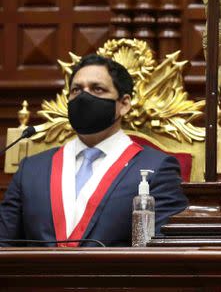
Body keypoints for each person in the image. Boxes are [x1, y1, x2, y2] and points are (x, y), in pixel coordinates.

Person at [0, 55, 188, 246]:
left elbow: (164, 249)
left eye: (97, 89)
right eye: (76, 90)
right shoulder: (31, 169)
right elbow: (4, 244)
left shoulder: (157, 168)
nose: (84, 97)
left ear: (124, 104)